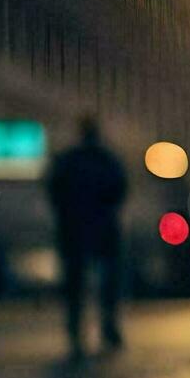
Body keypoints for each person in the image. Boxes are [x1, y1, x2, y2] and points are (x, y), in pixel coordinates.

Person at [48, 117, 127, 358]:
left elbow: (54, 189)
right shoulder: (106, 159)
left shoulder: (69, 160)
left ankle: (76, 330)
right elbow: (120, 189)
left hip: (74, 227)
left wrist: (67, 212)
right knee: (107, 282)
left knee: (75, 282)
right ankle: (108, 328)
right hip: (101, 226)